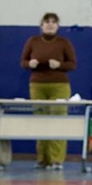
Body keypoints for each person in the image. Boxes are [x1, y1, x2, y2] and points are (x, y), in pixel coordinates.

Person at [20, 12, 77, 170]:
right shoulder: (33, 41)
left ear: (58, 26)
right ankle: (42, 159)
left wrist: (59, 65)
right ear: (41, 25)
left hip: (59, 85)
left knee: (57, 120)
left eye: (54, 22)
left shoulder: (64, 43)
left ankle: (56, 160)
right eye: (47, 22)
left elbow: (72, 64)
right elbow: (23, 62)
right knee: (40, 121)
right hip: (38, 85)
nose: (50, 25)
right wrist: (30, 63)